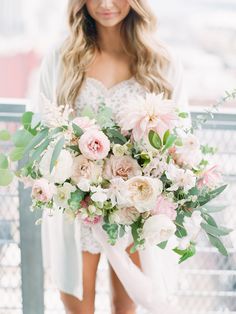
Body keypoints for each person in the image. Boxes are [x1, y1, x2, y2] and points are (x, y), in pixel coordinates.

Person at [39, 1, 190, 313]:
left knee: (127, 307)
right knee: (77, 306)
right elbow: (44, 133)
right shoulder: (61, 58)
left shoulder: (161, 62)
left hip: (134, 211)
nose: (106, 4)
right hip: (77, 211)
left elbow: (180, 139)